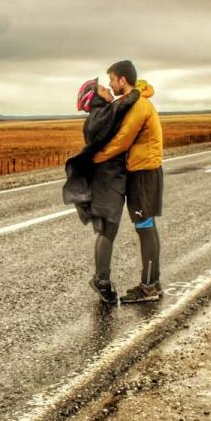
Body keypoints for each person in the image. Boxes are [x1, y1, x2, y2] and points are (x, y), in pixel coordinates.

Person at [63, 75, 154, 304]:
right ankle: (101, 281)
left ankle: (102, 279)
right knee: (107, 229)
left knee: (107, 229)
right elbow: (121, 105)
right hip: (108, 180)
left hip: (114, 177)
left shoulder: (99, 115)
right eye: (102, 88)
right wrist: (137, 90)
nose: (106, 88)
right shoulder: (99, 115)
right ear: (93, 97)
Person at [92, 60, 164, 304]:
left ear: (123, 80)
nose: (110, 85)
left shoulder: (139, 105)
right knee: (145, 226)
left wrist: (95, 157)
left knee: (145, 227)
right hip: (141, 169)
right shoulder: (136, 101)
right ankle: (151, 283)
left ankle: (150, 287)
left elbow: (123, 140)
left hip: (144, 172)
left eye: (112, 79)